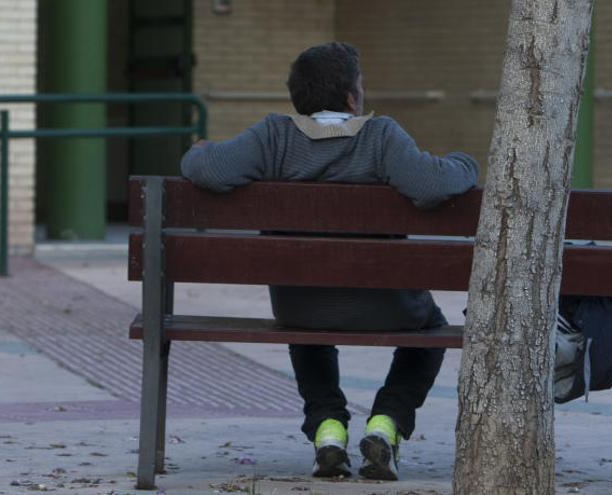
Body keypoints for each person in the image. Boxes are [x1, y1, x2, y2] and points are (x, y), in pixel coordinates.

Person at [180, 42, 479, 481]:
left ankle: (328, 428)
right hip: (388, 306)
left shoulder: (273, 135)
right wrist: (464, 163)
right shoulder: (381, 135)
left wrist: (199, 149)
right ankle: (388, 422)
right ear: (351, 99)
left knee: (309, 328)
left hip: (299, 304)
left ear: (297, 99)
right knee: (432, 329)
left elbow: (209, 171)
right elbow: (431, 184)